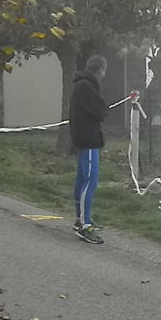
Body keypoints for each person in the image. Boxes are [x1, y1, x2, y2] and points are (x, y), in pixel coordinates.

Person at [69, 55, 108, 244]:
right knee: (89, 182)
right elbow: (101, 111)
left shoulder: (80, 85)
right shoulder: (87, 86)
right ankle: (85, 225)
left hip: (81, 138)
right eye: (104, 71)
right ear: (100, 70)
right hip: (89, 139)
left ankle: (81, 217)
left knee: (81, 180)